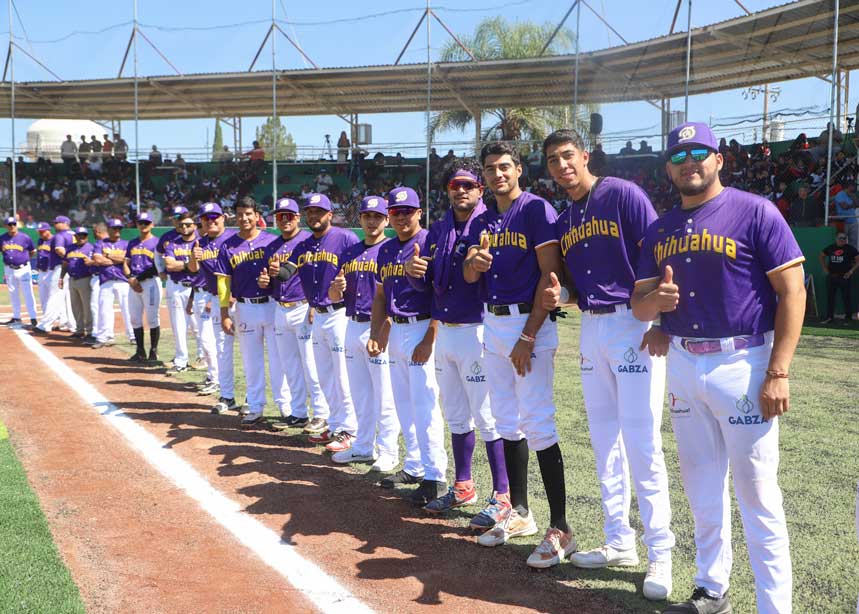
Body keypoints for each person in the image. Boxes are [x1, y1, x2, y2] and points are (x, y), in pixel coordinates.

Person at [632, 122, 805, 614]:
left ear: (718, 159)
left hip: (743, 361)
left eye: (699, 152)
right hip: (684, 363)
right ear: (669, 167)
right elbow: (639, 307)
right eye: (680, 154)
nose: (690, 161)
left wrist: (778, 371)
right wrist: (656, 302)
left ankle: (775, 607)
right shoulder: (660, 227)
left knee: (758, 495)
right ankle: (711, 589)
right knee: (701, 487)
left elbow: (793, 292)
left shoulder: (754, 211)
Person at [541, 129, 674, 599]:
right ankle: (620, 540)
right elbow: (577, 287)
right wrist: (565, 296)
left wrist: (660, 318)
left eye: (567, 156)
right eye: (553, 161)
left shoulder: (622, 194)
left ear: (585, 155)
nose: (562, 166)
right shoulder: (565, 217)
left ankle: (661, 552)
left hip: (632, 322)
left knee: (642, 442)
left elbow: (660, 253)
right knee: (604, 443)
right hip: (592, 326)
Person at [462, 142, 570, 569]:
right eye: (490, 169)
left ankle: (560, 526)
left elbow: (551, 274)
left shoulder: (535, 209)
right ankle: (520, 512)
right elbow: (471, 274)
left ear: (518, 169)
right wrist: (474, 260)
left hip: (531, 323)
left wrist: (527, 336)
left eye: (504, 167)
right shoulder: (483, 219)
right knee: (505, 419)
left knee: (538, 421)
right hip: (494, 321)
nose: (497, 174)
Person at [403, 161, 511, 527]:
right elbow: (431, 281)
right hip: (446, 331)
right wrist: (415, 276)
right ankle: (463, 485)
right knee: (456, 413)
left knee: (488, 415)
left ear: (480, 189)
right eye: (455, 184)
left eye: (468, 184)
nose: (461, 190)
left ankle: (503, 495)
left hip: (478, 328)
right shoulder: (438, 229)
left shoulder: (490, 224)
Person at [368, 187, 448, 506]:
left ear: (419, 213)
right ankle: (414, 466)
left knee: (426, 405)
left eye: (407, 211)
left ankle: (436, 476)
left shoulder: (431, 242)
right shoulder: (386, 250)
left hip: (421, 326)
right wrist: (377, 332)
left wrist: (430, 336)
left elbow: (444, 293)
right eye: (396, 212)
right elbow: (380, 297)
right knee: (404, 404)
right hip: (397, 329)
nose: (401, 217)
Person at [327, 195, 400, 469]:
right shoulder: (349, 252)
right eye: (367, 216)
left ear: (386, 220)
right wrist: (336, 288)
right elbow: (334, 295)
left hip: (377, 326)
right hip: (351, 323)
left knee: (384, 393)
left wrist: (384, 329)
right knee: (360, 392)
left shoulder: (390, 250)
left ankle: (389, 450)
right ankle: (362, 446)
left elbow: (393, 296)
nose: (372, 221)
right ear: (360, 219)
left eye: (377, 217)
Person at [285, 193, 359, 448]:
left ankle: (350, 429)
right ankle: (336, 425)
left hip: (339, 313)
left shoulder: (345, 238)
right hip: (316, 315)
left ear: (329, 214)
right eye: (310, 211)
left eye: (319, 211)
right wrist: (273, 273)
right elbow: (287, 270)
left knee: (342, 375)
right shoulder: (304, 244)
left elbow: (360, 268)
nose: (314, 216)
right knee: (325, 375)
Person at [257, 198, 329, 430]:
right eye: (280, 216)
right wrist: (265, 280)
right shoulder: (272, 246)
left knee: (311, 363)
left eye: (289, 215)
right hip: (280, 308)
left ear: (298, 218)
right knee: (290, 364)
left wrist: (312, 305)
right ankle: (298, 412)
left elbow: (321, 275)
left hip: (303, 307)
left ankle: (321, 412)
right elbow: (271, 282)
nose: (285, 220)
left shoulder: (308, 241)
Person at [215, 196, 281, 427]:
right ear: (235, 216)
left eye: (248, 213)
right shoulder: (228, 246)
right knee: (251, 362)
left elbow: (282, 275)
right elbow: (223, 282)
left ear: (257, 216)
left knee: (278, 360)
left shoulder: (271, 241)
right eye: (240, 213)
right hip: (244, 307)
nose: (244, 218)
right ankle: (255, 406)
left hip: (272, 305)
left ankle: (287, 409)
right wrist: (224, 313)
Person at [187, 202, 242, 414]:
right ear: (201, 221)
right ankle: (227, 396)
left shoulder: (233, 240)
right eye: (206, 218)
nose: (211, 221)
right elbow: (193, 269)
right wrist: (194, 257)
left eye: (215, 217)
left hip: (238, 299)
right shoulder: (199, 243)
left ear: (223, 217)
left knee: (247, 352)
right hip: (217, 298)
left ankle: (251, 398)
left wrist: (233, 296)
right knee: (222, 349)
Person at [163, 212, 203, 374]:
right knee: (178, 324)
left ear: (195, 226)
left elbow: (200, 266)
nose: (185, 227)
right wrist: (190, 264)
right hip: (177, 286)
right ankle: (181, 360)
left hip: (195, 287)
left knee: (198, 324)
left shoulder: (201, 243)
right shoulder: (173, 244)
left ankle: (203, 356)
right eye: (181, 225)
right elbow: (169, 265)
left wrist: (183, 264)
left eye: (188, 224)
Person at [124, 212, 162, 363]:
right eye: (141, 223)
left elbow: (157, 267)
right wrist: (130, 279)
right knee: (134, 318)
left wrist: (137, 280)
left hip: (150, 282)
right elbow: (125, 263)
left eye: (146, 223)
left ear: (152, 224)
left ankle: (153, 351)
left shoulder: (156, 243)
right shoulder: (132, 242)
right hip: (133, 283)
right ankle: (140, 351)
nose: (143, 225)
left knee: (152, 318)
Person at [91, 218, 134, 349]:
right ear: (108, 230)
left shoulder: (126, 244)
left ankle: (133, 336)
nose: (117, 231)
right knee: (104, 310)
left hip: (123, 281)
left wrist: (109, 255)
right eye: (114, 228)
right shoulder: (100, 243)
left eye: (119, 228)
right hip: (106, 280)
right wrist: (118, 260)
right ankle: (104, 337)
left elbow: (127, 260)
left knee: (128, 309)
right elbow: (97, 259)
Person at [32, 215, 76, 336]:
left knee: (55, 296)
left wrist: (70, 259)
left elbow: (60, 251)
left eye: (57, 223)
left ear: (65, 223)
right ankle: (72, 324)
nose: (55, 225)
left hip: (61, 267)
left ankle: (45, 324)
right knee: (67, 298)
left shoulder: (60, 236)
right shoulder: (74, 234)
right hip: (71, 268)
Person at [0, 216, 37, 327]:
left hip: (23, 268)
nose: (12, 226)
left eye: (14, 224)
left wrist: (24, 260)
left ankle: (33, 318)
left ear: (16, 225)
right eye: (9, 224)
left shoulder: (24, 237)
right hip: (9, 269)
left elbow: (32, 251)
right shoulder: (2, 238)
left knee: (28, 293)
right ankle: (16, 317)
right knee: (13, 293)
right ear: (6, 226)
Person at [62, 227, 95, 340]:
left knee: (87, 307)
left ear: (87, 236)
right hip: (72, 279)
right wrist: (61, 277)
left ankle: (90, 331)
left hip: (85, 279)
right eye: (79, 235)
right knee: (75, 306)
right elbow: (65, 264)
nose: (81, 238)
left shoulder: (91, 248)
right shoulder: (70, 248)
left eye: (84, 235)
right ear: (75, 236)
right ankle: (79, 330)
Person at [819, 232, 859, 324]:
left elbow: (858, 260)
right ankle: (829, 317)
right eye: (841, 238)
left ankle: (848, 319)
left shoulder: (850, 249)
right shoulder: (831, 248)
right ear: (836, 238)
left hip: (844, 277)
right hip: (832, 276)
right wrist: (825, 268)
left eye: (844, 238)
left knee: (846, 298)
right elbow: (821, 255)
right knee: (830, 297)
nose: (843, 240)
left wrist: (851, 272)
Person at [34, 222, 53, 316]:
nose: (40, 233)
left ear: (48, 231)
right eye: (39, 232)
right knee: (43, 297)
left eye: (42, 231)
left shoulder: (55, 240)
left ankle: (62, 321)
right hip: (42, 272)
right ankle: (46, 318)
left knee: (54, 297)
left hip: (51, 271)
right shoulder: (40, 241)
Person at [834, 182, 859, 248]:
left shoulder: (853, 195)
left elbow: (857, 205)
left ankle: (853, 257)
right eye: (854, 186)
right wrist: (853, 204)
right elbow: (844, 206)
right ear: (849, 186)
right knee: (841, 242)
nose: (855, 188)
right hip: (843, 221)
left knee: (854, 242)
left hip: (853, 220)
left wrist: (853, 198)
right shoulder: (840, 194)